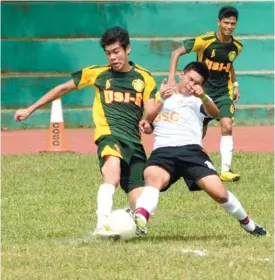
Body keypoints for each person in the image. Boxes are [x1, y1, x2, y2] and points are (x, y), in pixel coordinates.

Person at [14, 26, 161, 238]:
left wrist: (149, 121)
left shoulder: (145, 78)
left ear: (127, 49)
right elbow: (62, 88)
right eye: (108, 53)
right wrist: (30, 109)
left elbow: (149, 110)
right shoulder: (98, 74)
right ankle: (101, 224)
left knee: (140, 206)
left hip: (134, 144)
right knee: (112, 176)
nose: (113, 57)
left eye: (116, 51)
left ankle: (127, 222)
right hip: (109, 136)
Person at [133, 61, 267, 237]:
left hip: (192, 151)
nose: (191, 85)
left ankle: (248, 224)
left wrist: (203, 96)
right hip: (163, 151)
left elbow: (215, 113)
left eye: (197, 83)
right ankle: (141, 216)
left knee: (219, 194)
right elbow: (149, 118)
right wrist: (160, 100)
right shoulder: (163, 94)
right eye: (190, 79)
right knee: (153, 178)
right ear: (182, 74)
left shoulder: (199, 100)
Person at [168, 6, 242, 182]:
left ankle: (225, 170)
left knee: (227, 125)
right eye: (226, 22)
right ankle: (189, 166)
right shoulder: (205, 41)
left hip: (223, 94)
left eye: (232, 23)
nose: (229, 26)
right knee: (198, 132)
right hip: (202, 94)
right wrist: (172, 77)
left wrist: (236, 84)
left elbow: (228, 64)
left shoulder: (236, 46)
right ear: (219, 22)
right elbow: (176, 52)